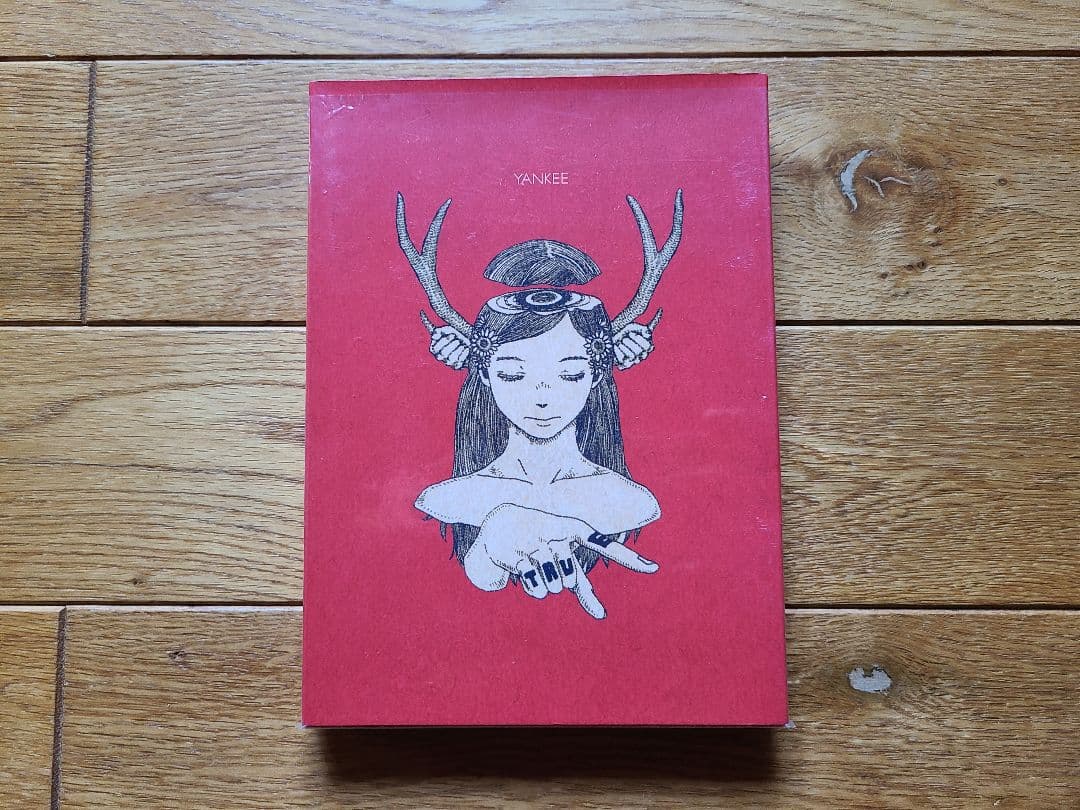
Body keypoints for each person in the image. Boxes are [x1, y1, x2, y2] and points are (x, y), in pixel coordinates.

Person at [396, 190, 683, 619]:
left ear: (597, 374)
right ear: (485, 374)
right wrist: (491, 550)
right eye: (514, 375)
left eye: (570, 374)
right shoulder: (443, 502)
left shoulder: (634, 504)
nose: (543, 397)